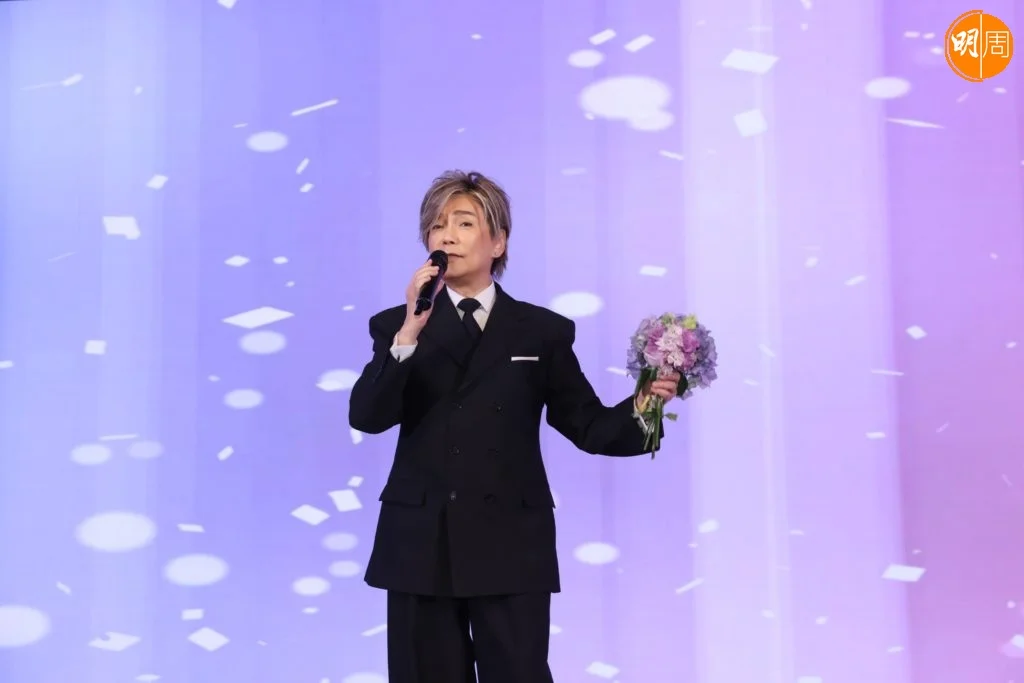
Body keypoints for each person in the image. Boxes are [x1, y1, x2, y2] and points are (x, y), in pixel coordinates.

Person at [348, 170, 680, 683]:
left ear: (498, 242)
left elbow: (588, 424)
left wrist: (645, 405)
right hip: (420, 543)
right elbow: (367, 417)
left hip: (510, 540)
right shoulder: (397, 324)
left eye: (464, 223)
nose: (447, 236)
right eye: (437, 226)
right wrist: (409, 331)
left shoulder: (540, 331)